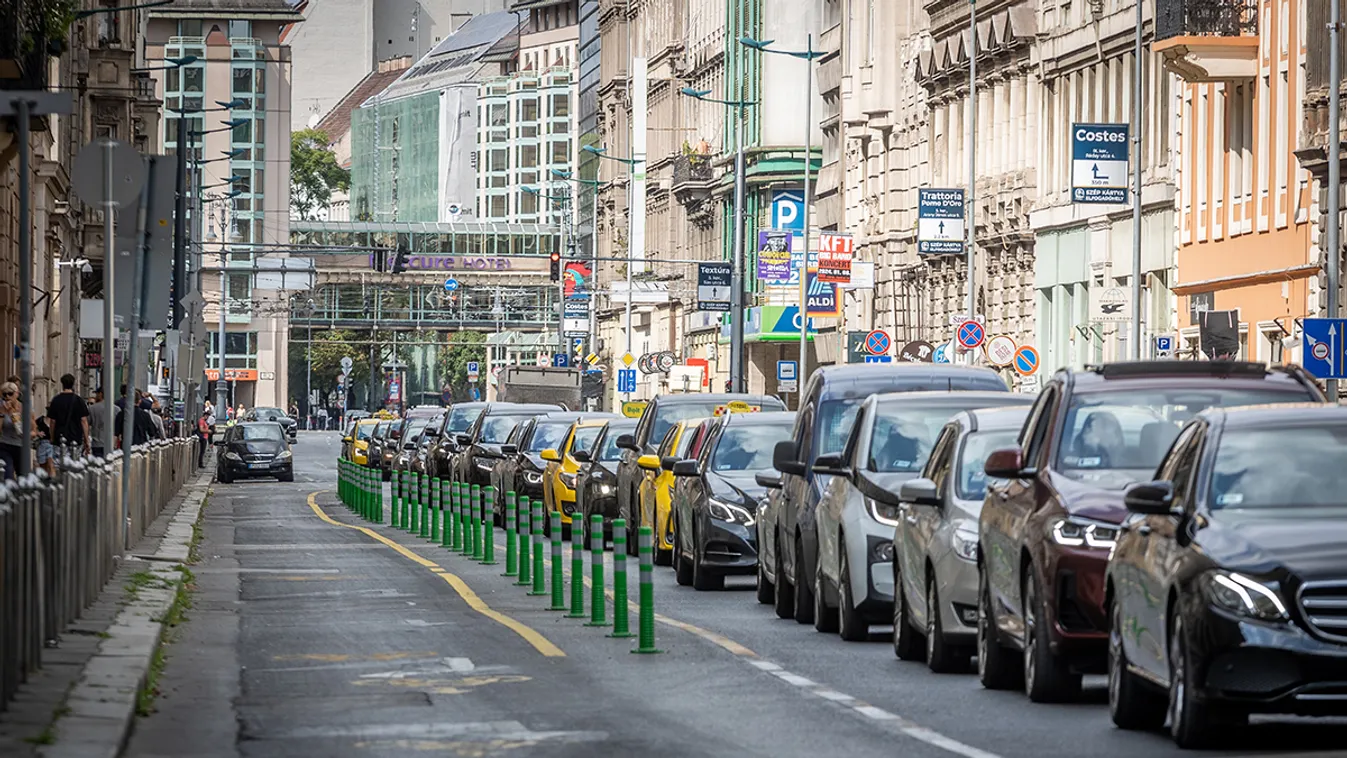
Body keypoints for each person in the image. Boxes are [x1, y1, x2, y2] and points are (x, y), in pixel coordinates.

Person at [46, 373, 90, 455]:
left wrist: (52, 437)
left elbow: (52, 421)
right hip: (75, 439)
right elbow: (83, 421)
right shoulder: (79, 400)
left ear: (62, 384)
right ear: (73, 384)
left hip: (59, 438)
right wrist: (86, 440)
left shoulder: (56, 400)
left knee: (60, 464)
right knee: (74, 464)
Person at [0, 382, 23, 480]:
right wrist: (2, 414)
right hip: (5, 445)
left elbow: (24, 430)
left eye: (10, 393)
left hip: (21, 446)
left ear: (17, 393)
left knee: (22, 476)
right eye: (4, 394)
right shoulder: (2, 408)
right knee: (8, 474)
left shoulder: (24, 408)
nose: (7, 396)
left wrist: (12, 414)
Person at [89, 387, 107, 457]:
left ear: (100, 394)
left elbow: (86, 424)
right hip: (111, 443)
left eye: (96, 394)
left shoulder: (92, 408)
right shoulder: (116, 409)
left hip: (97, 443)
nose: (96, 396)